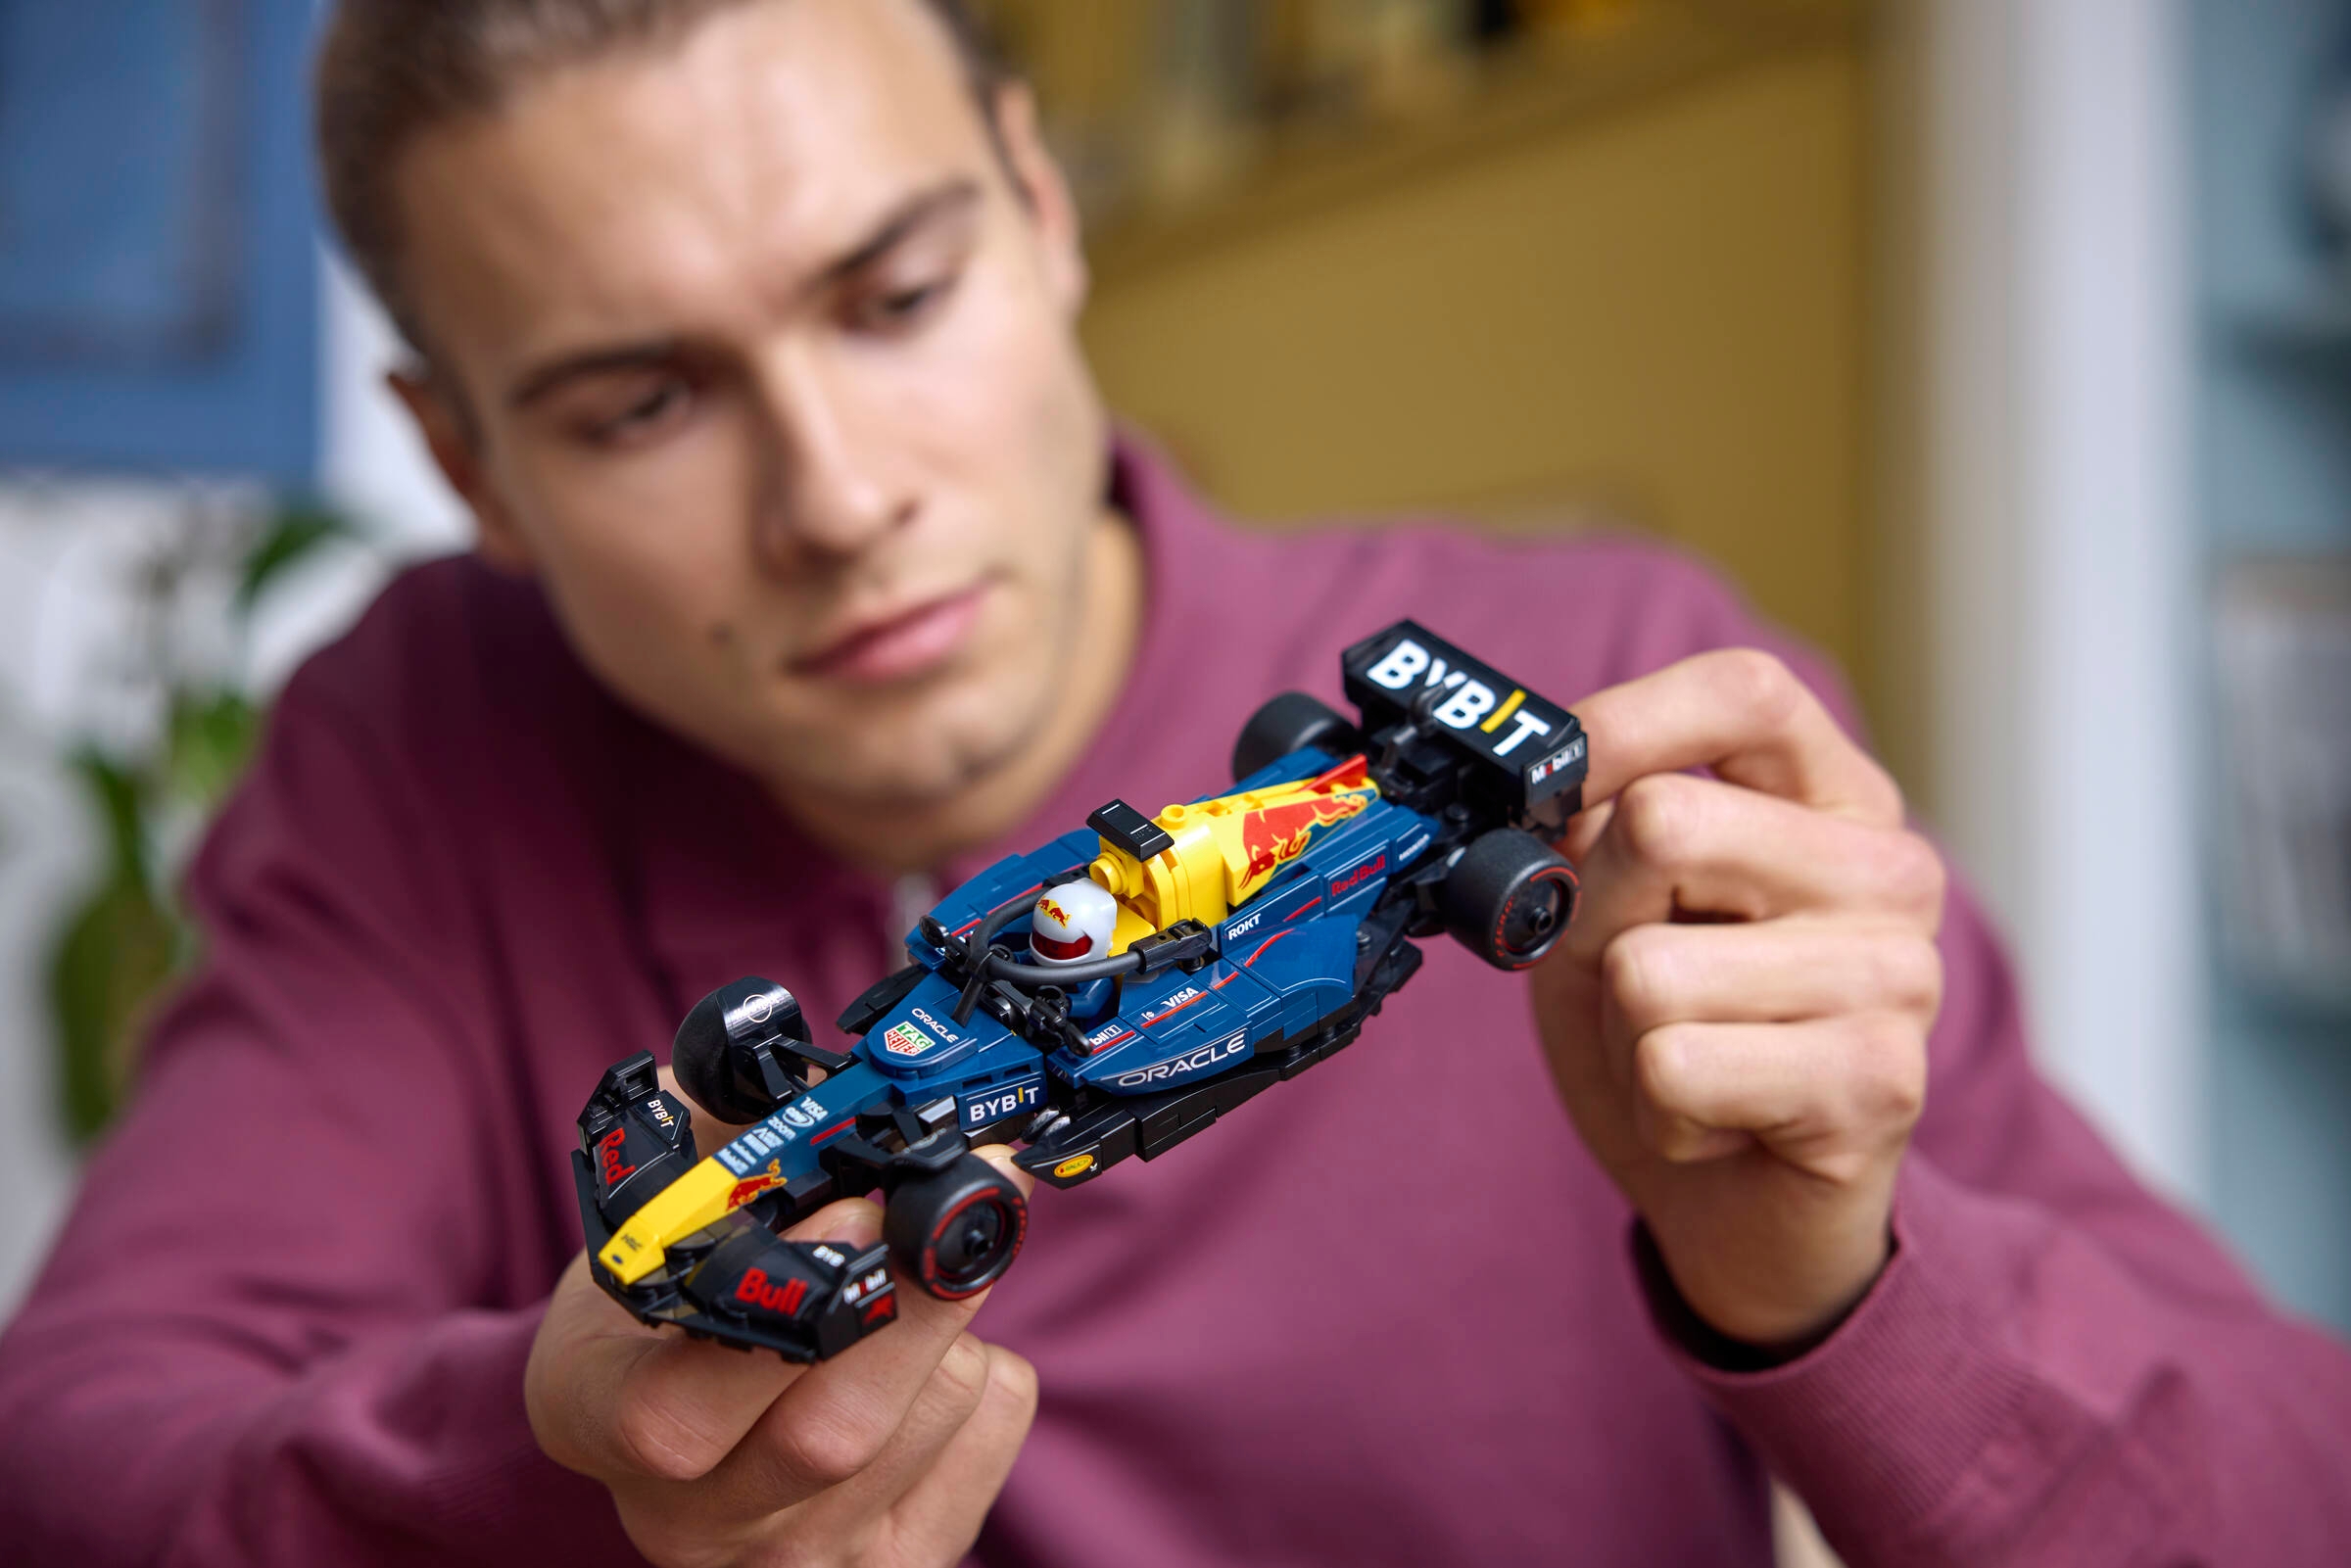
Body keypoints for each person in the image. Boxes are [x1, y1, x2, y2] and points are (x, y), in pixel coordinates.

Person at [2, 1, 2346, 1562]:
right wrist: (554, 1458)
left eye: (895, 299)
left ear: (1041, 212)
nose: (838, 498)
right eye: (641, 407)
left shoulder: (1626, 694)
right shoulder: (424, 743)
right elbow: (77, 1461)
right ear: (464, 467)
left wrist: (1837, 1281)